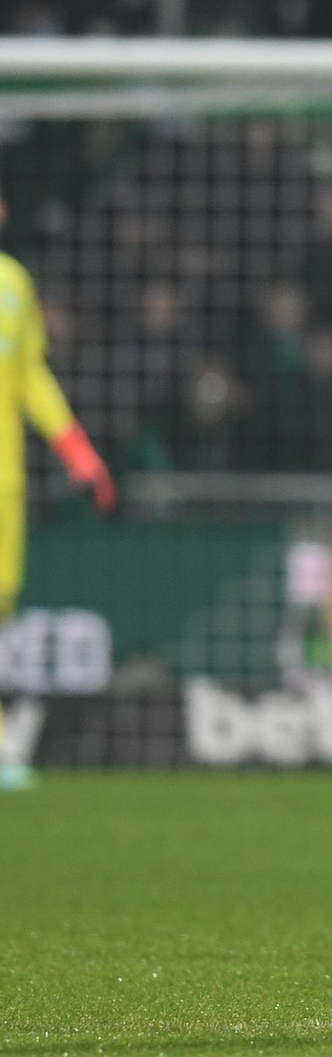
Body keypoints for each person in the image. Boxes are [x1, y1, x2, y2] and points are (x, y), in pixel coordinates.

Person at [0, 183, 116, 790]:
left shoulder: (14, 284)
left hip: (3, 479)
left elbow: (30, 377)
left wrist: (76, 451)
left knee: (0, 602)